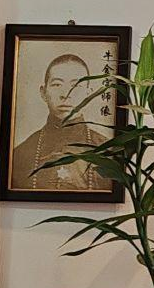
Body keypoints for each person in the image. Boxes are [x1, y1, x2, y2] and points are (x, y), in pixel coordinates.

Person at [9, 51, 111, 193]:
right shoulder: (20, 154)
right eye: (57, 85)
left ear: (89, 93)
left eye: (76, 85)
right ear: (43, 93)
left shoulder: (108, 151)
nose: (66, 94)